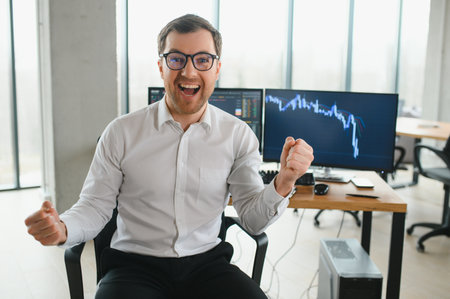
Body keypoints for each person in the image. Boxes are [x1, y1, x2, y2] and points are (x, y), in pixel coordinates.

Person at [25, 14, 313, 299]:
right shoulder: (121, 132)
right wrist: (62, 228)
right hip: (134, 266)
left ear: (217, 69)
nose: (188, 72)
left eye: (202, 60)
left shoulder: (238, 136)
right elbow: (95, 207)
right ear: (161, 67)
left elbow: (253, 219)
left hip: (207, 265)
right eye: (176, 59)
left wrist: (284, 181)